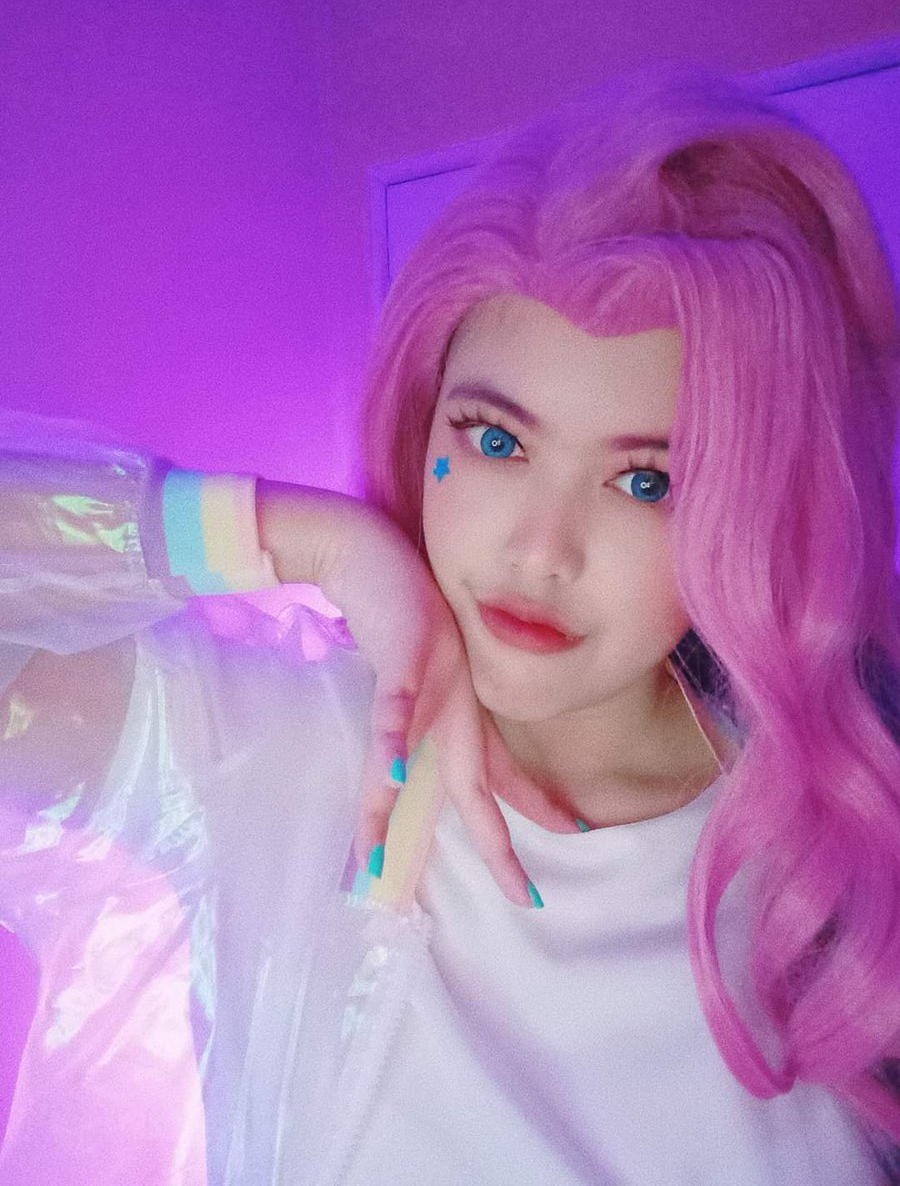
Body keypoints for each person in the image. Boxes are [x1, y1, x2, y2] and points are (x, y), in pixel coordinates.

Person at [0, 60, 898, 1185]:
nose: (539, 549)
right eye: (495, 440)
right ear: (425, 420)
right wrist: (314, 539)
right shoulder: (278, 746)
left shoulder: (840, 844)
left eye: (646, 483)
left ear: (755, 505)